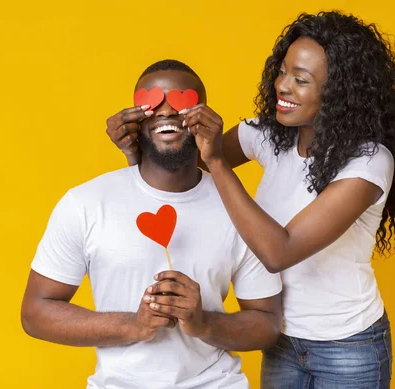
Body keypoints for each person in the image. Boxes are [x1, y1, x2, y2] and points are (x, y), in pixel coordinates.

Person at [108, 11, 395, 389]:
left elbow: (280, 251)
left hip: (348, 346)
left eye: (301, 80)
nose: (283, 86)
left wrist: (216, 161)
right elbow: (177, 170)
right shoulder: (268, 135)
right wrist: (135, 147)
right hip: (278, 339)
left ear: (339, 92)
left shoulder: (369, 162)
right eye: (283, 71)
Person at [21, 59, 283, 389]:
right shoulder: (86, 203)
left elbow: (268, 322)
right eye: (153, 103)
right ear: (136, 120)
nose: (166, 111)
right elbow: (35, 313)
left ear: (202, 115)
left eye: (179, 102)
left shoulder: (238, 210)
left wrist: (203, 324)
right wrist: (133, 324)